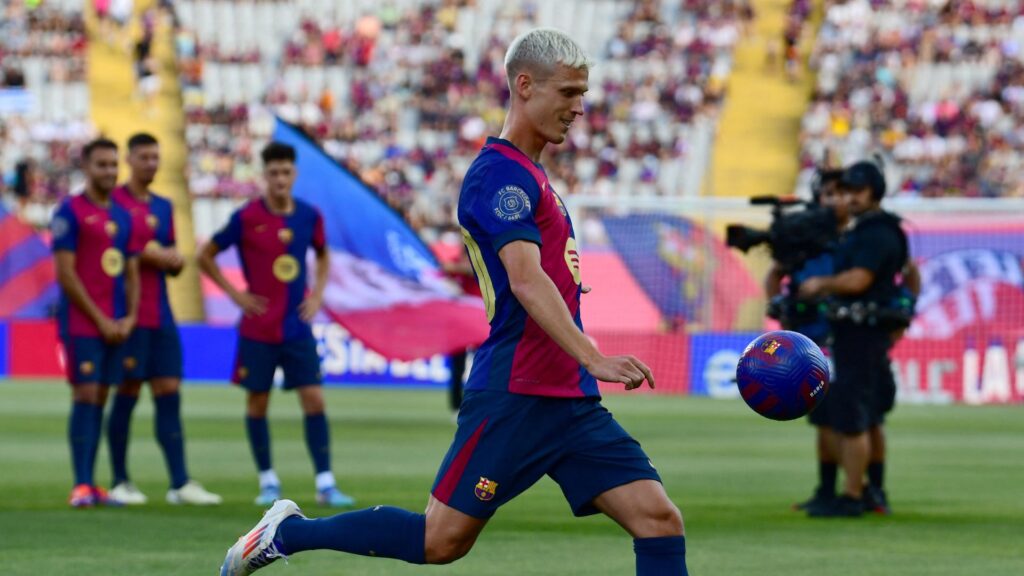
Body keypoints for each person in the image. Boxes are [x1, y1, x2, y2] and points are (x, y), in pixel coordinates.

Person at [218, 28, 688, 576]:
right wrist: (593, 355)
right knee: (441, 541)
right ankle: (288, 533)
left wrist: (582, 367)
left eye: (583, 94)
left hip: (569, 399)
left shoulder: (533, 175)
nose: (579, 107)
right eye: (568, 93)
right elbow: (526, 280)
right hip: (517, 392)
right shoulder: (500, 176)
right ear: (525, 85)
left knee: (658, 520)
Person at [198, 142, 354, 508]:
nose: (280, 179)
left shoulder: (308, 216)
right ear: (263, 175)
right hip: (258, 328)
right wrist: (235, 295)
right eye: (274, 173)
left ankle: (325, 483)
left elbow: (323, 253)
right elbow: (205, 255)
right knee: (257, 403)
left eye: (286, 172)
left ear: (294, 174)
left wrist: (316, 296)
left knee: (314, 400)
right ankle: (268, 480)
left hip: (296, 327)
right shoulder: (247, 216)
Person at [106, 133, 222, 506]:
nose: (152, 164)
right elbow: (112, 258)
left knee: (169, 394)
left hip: (162, 315)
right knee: (127, 393)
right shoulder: (114, 203)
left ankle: (179, 483)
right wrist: (149, 256)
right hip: (128, 316)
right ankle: (120, 480)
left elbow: (167, 255)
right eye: (144, 157)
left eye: (156, 157)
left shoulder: (164, 206)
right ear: (129, 159)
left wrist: (174, 261)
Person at [799, 160, 911, 517]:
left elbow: (859, 279)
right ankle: (869, 492)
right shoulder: (875, 229)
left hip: (861, 333)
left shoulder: (875, 232)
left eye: (857, 190)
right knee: (868, 415)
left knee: (852, 416)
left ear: (875, 192)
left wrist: (822, 285)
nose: (850, 197)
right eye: (846, 191)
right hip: (865, 332)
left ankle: (851, 495)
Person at [52, 138, 141, 507]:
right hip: (83, 322)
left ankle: (91, 485)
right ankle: (81, 485)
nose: (109, 171)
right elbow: (66, 274)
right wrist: (102, 318)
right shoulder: (68, 212)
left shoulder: (122, 216)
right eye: (101, 164)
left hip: (116, 324)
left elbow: (132, 272)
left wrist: (130, 317)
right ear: (86, 167)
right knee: (85, 394)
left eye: (112, 164)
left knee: (102, 397)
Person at [764, 168, 848, 515]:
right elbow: (775, 272)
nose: (832, 200)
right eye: (827, 193)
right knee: (827, 418)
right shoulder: (805, 234)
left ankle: (862, 492)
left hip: (846, 336)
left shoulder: (859, 235)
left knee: (855, 419)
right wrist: (779, 313)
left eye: (838, 193)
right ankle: (830, 490)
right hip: (809, 337)